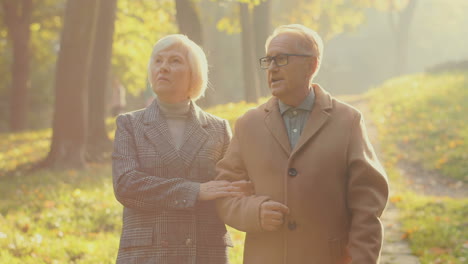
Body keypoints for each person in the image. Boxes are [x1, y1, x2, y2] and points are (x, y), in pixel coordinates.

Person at [215, 24, 389, 264]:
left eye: (282, 59)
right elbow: (224, 192)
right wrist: (253, 213)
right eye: (269, 60)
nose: (272, 68)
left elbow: (368, 206)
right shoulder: (248, 124)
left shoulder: (348, 121)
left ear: (312, 65)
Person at [112, 34, 251, 264]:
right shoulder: (129, 124)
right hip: (146, 255)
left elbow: (230, 188)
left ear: (194, 74)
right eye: (158, 61)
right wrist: (194, 191)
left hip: (204, 252)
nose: (163, 68)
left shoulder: (218, 128)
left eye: (174, 61)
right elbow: (126, 185)